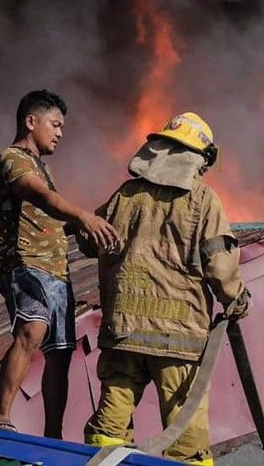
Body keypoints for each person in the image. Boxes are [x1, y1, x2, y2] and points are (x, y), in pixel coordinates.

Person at [81, 112, 250, 465]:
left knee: (109, 427)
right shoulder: (203, 200)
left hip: (123, 334)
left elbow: (88, 239)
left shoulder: (125, 195)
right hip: (179, 340)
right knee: (185, 438)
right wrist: (238, 300)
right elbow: (220, 266)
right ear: (201, 157)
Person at [0, 89, 119, 439]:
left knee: (60, 353)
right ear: (31, 121)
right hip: (25, 264)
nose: (60, 133)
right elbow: (42, 197)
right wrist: (83, 216)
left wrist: (78, 227)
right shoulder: (13, 159)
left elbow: (48, 218)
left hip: (56, 270)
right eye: (55, 124)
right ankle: (1, 415)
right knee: (32, 330)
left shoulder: (42, 168)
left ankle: (54, 433)